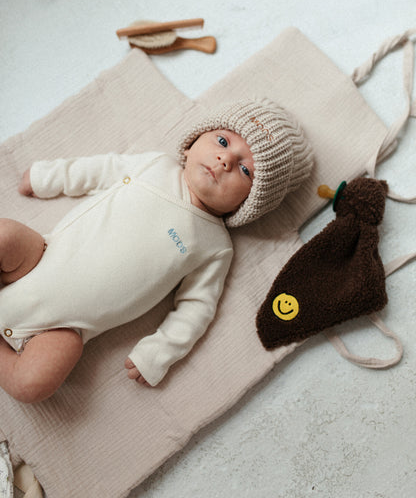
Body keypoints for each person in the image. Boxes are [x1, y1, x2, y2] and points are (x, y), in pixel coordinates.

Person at [0, 99, 313, 403]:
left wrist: (160, 352)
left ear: (248, 204)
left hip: (64, 327)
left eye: (246, 171)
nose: (225, 160)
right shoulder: (154, 165)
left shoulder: (215, 247)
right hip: (37, 257)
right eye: (222, 141)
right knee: (5, 235)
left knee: (34, 384)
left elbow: (197, 308)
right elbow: (99, 169)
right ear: (191, 143)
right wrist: (46, 178)